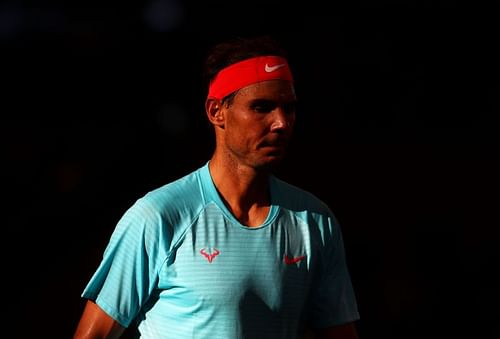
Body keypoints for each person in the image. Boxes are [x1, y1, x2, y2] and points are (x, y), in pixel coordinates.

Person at [73, 35, 360, 339]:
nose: (281, 122)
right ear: (216, 111)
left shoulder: (316, 221)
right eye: (261, 107)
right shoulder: (157, 215)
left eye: (288, 108)